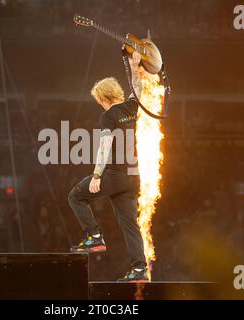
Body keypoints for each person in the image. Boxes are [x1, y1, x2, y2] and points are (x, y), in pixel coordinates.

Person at [68, 51, 148, 282]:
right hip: (134, 177)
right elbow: (138, 89)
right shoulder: (131, 108)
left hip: (114, 174)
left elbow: (105, 146)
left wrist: (96, 175)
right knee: (130, 225)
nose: (99, 105)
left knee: (75, 196)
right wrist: (134, 67)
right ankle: (139, 269)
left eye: (98, 101)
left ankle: (94, 236)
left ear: (103, 98)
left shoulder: (108, 116)